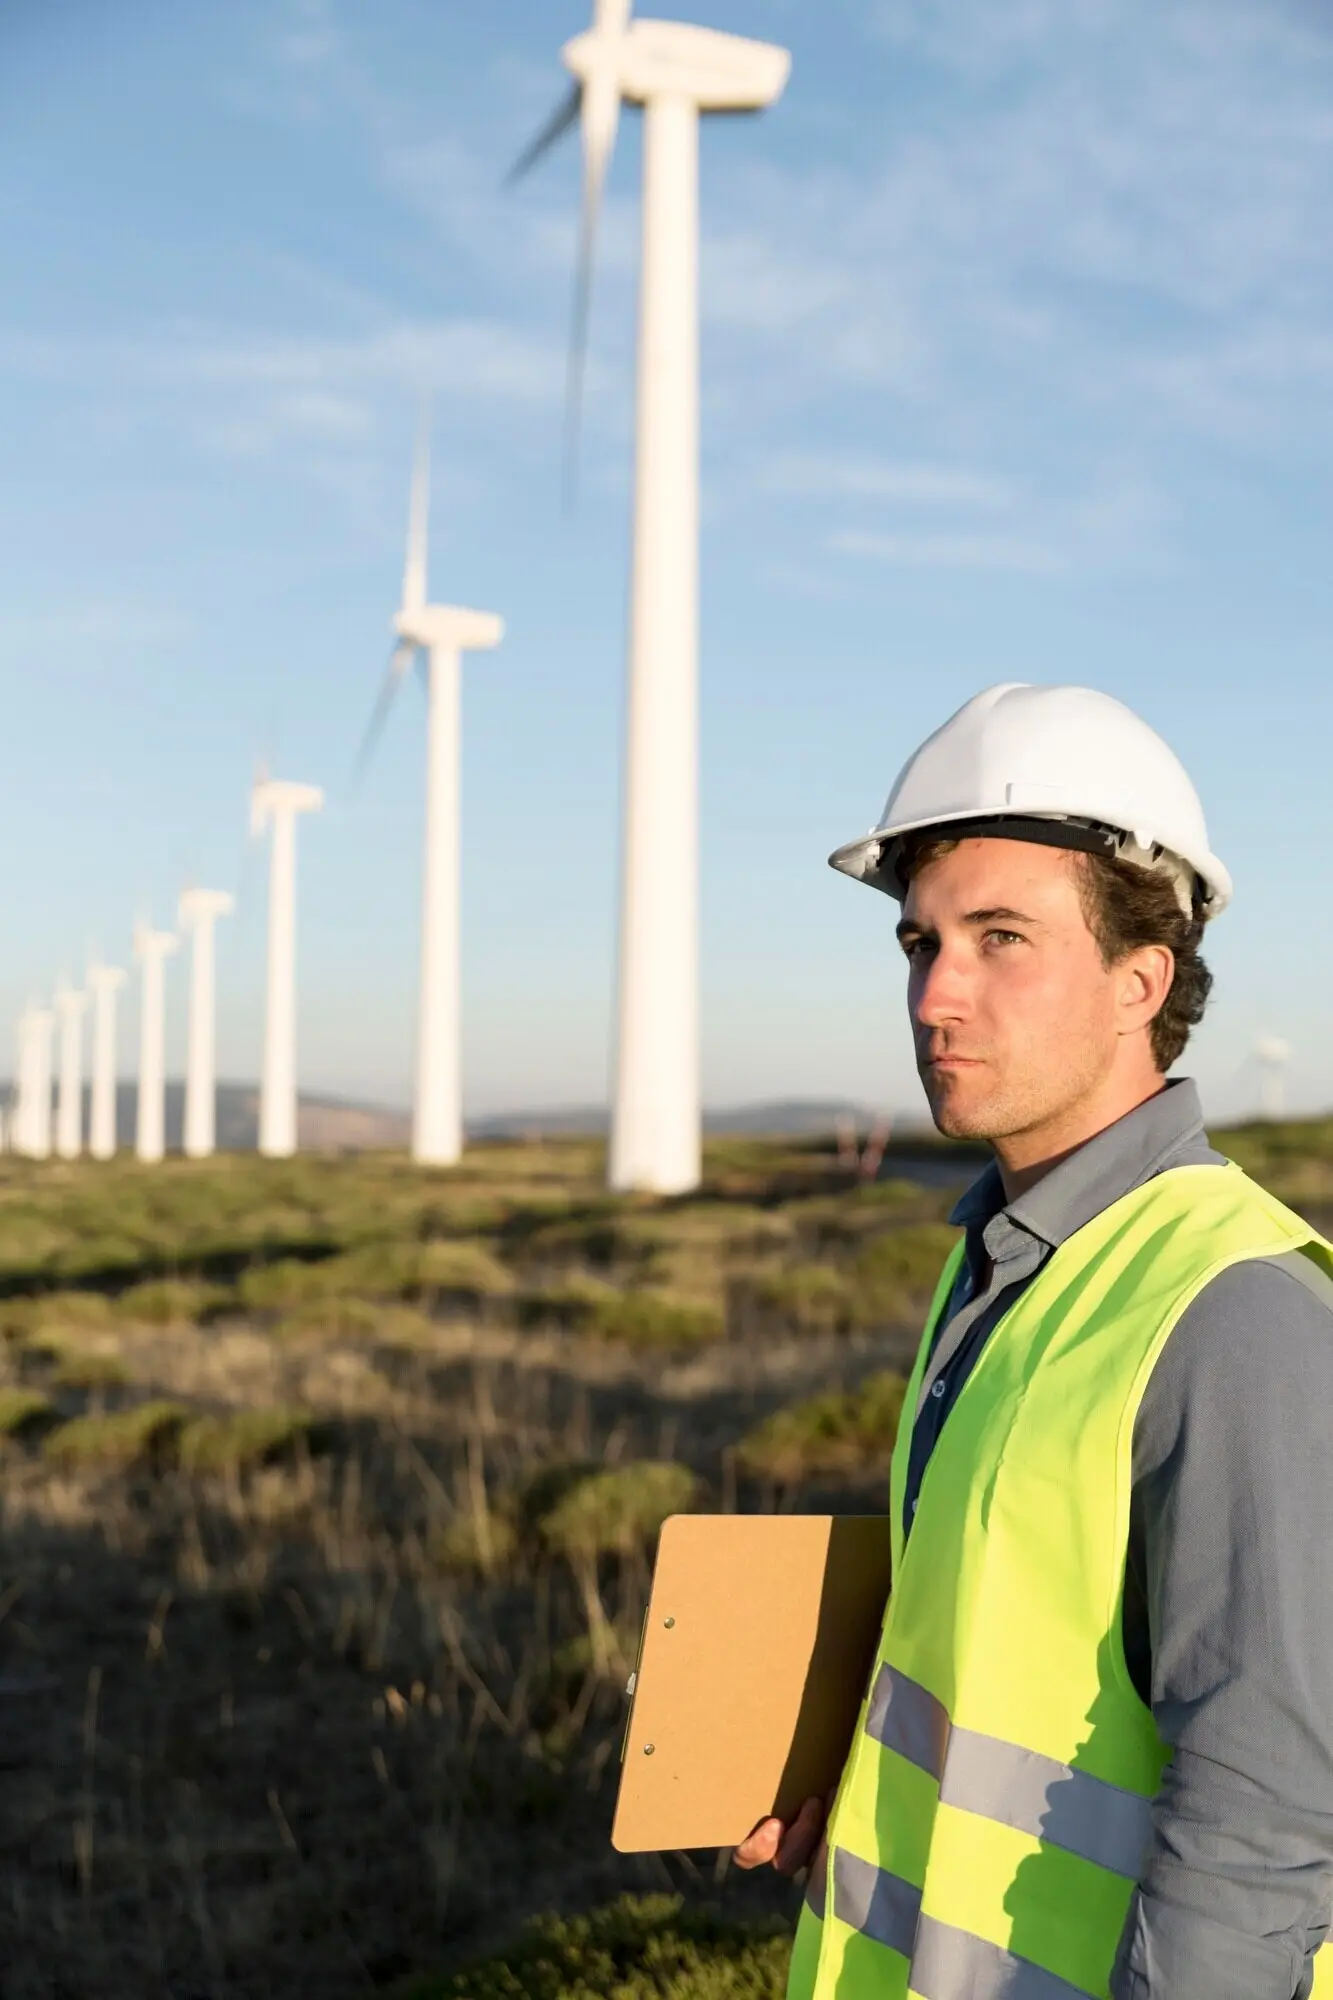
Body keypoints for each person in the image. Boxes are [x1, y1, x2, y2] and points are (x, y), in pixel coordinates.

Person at [736, 683, 1333, 2000]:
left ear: (1142, 979)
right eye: (918, 944)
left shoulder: (1234, 1313)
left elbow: (1267, 1818)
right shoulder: (999, 1263)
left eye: (1001, 938)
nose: (937, 995)